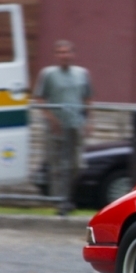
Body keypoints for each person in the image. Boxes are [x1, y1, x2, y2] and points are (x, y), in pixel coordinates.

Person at [33, 40, 92, 216]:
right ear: (56, 55)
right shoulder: (48, 74)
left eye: (67, 52)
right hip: (56, 127)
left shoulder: (82, 74)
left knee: (76, 165)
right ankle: (60, 202)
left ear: (72, 54)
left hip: (75, 124)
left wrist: (89, 121)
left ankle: (67, 197)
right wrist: (51, 119)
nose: (64, 55)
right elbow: (40, 98)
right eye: (60, 52)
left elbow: (87, 99)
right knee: (56, 165)